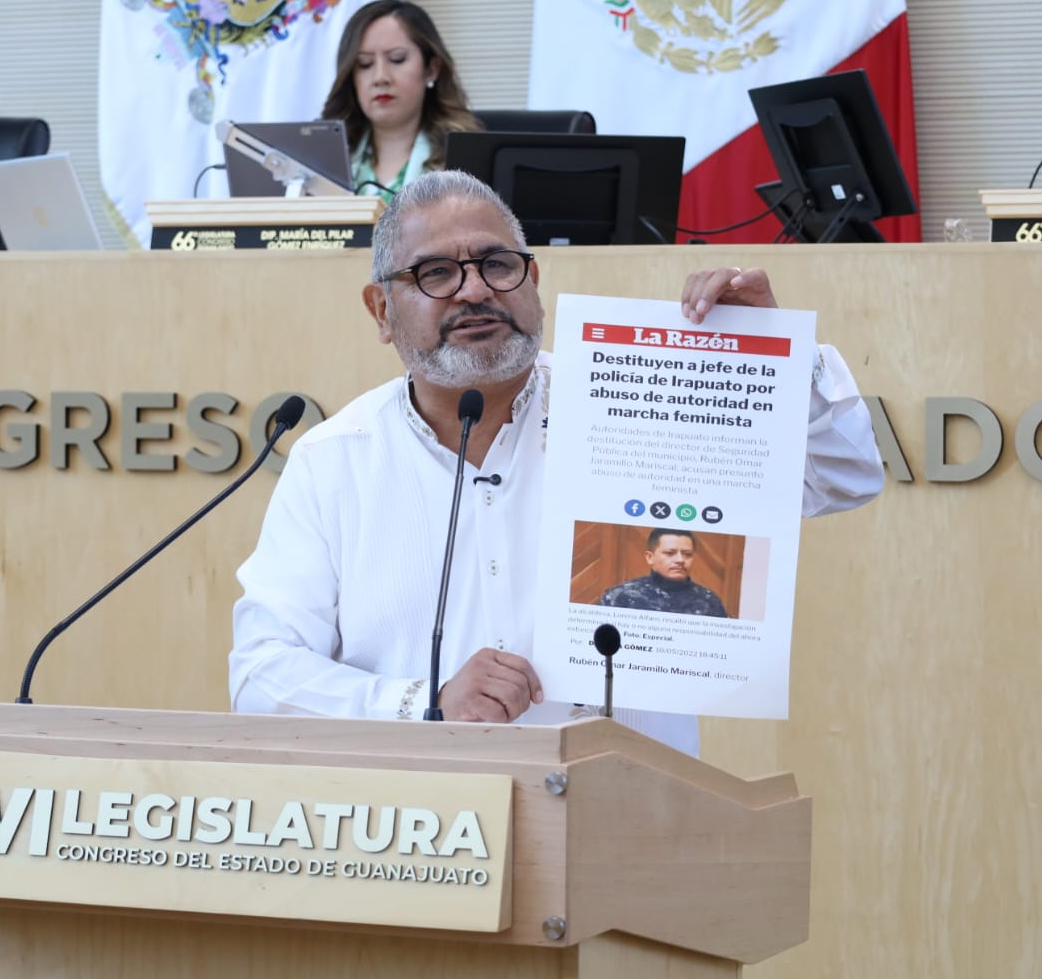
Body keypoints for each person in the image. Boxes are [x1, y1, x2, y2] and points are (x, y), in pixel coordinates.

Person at [229, 170, 885, 755]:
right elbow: (261, 674)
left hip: (628, 826)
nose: (474, 290)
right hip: (422, 837)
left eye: (497, 264)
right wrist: (418, 704)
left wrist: (777, 361)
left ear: (533, 280)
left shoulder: (643, 403)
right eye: (435, 274)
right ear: (381, 310)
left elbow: (844, 478)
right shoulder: (334, 461)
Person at [320, 0, 481, 200]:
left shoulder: (467, 162)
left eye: (397, 59)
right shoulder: (322, 161)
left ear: (432, 69)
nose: (380, 77)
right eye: (365, 64)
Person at [599, 529, 729, 618]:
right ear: (650, 557)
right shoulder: (621, 596)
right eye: (670, 553)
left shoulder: (709, 601)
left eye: (687, 554)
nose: (680, 560)